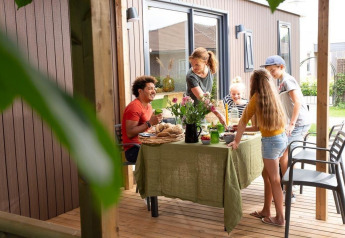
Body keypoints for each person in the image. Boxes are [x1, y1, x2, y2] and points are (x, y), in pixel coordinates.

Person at [228, 69, 288, 227]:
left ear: (254, 83)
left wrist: (236, 142)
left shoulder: (255, 98)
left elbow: (242, 121)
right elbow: (259, 127)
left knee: (274, 179)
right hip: (281, 139)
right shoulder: (272, 97)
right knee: (267, 176)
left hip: (271, 143)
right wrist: (241, 130)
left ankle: (280, 218)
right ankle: (266, 210)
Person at [261, 55, 311, 203]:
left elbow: (297, 102)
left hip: (299, 123)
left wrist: (292, 124)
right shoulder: (282, 82)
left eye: (273, 70)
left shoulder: (287, 80)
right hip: (294, 123)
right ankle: (286, 189)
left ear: (282, 67)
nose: (271, 73)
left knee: (283, 155)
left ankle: (289, 191)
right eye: (269, 71)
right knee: (283, 155)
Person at [121, 75, 163, 163]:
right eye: (150, 88)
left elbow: (148, 126)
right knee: (164, 156)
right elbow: (130, 133)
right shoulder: (134, 107)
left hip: (145, 144)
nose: (153, 91)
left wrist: (156, 122)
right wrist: (149, 123)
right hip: (134, 149)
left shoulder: (149, 106)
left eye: (154, 88)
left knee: (168, 150)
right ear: (140, 91)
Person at [186, 47, 225, 125]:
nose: (194, 67)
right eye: (192, 64)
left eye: (197, 65)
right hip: (191, 113)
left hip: (202, 111)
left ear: (205, 62)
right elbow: (202, 98)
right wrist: (219, 115)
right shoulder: (191, 76)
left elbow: (208, 94)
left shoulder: (209, 69)